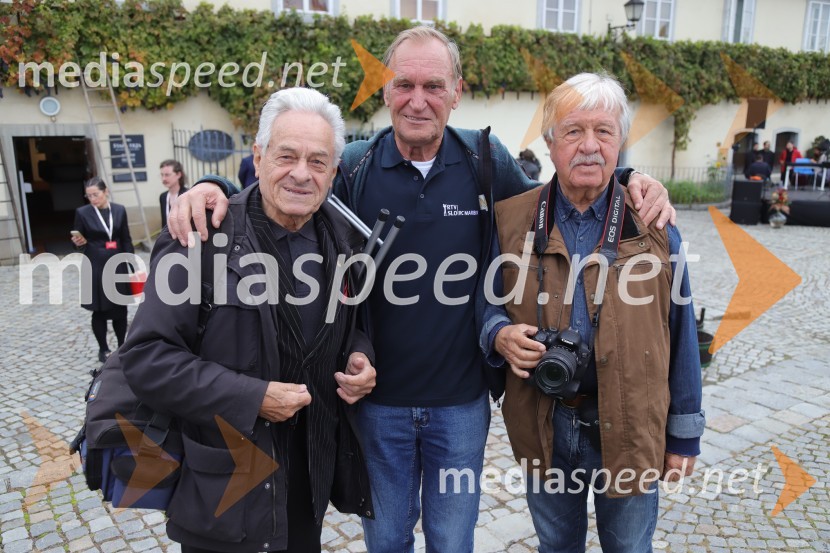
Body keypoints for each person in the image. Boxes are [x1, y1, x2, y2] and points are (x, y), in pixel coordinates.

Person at [167, 27, 675, 553]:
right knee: (386, 542)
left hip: (461, 406)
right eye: (404, 84)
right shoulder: (356, 165)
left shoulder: (485, 160)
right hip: (375, 405)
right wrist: (217, 188)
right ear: (385, 91)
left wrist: (632, 179)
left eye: (433, 85)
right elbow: (291, 189)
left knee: (452, 543)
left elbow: (559, 198)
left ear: (456, 92)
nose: (418, 100)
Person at [119, 87, 378, 553]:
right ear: (257, 157)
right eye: (287, 156)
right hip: (228, 486)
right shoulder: (201, 237)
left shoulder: (343, 241)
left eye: (318, 162)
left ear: (334, 172)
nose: (302, 173)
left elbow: (349, 324)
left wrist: (360, 354)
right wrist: (253, 397)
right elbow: (146, 359)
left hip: (310, 476)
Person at [493, 72, 704, 552]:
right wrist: (498, 333)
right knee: (556, 546)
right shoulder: (511, 221)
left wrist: (684, 434)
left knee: (629, 547)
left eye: (603, 131)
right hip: (545, 420)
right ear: (550, 144)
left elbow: (681, 331)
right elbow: (487, 306)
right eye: (573, 131)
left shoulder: (654, 225)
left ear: (621, 142)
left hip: (631, 421)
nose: (589, 146)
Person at [70, 177, 135, 363]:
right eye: (88, 196)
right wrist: (77, 243)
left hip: (118, 262)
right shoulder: (82, 213)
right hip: (95, 264)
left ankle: (122, 345)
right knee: (99, 310)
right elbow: (78, 241)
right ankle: (103, 348)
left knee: (120, 308)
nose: (92, 199)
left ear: (105, 191)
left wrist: (131, 262)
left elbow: (126, 238)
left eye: (95, 194)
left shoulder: (119, 210)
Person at [159, 159, 188, 229]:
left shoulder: (187, 194)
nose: (163, 179)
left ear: (178, 174)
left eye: (167, 175)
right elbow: (164, 222)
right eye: (162, 175)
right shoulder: (163, 196)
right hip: (168, 237)